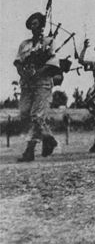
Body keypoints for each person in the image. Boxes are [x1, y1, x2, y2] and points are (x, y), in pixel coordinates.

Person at [15, 12, 62, 162]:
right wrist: (24, 74)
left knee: (37, 116)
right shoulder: (24, 44)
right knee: (25, 113)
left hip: (42, 83)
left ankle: (29, 151)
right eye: (32, 24)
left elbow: (53, 63)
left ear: (42, 26)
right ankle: (49, 137)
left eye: (37, 24)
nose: (34, 27)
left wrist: (38, 73)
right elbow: (18, 62)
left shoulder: (49, 42)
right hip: (27, 83)